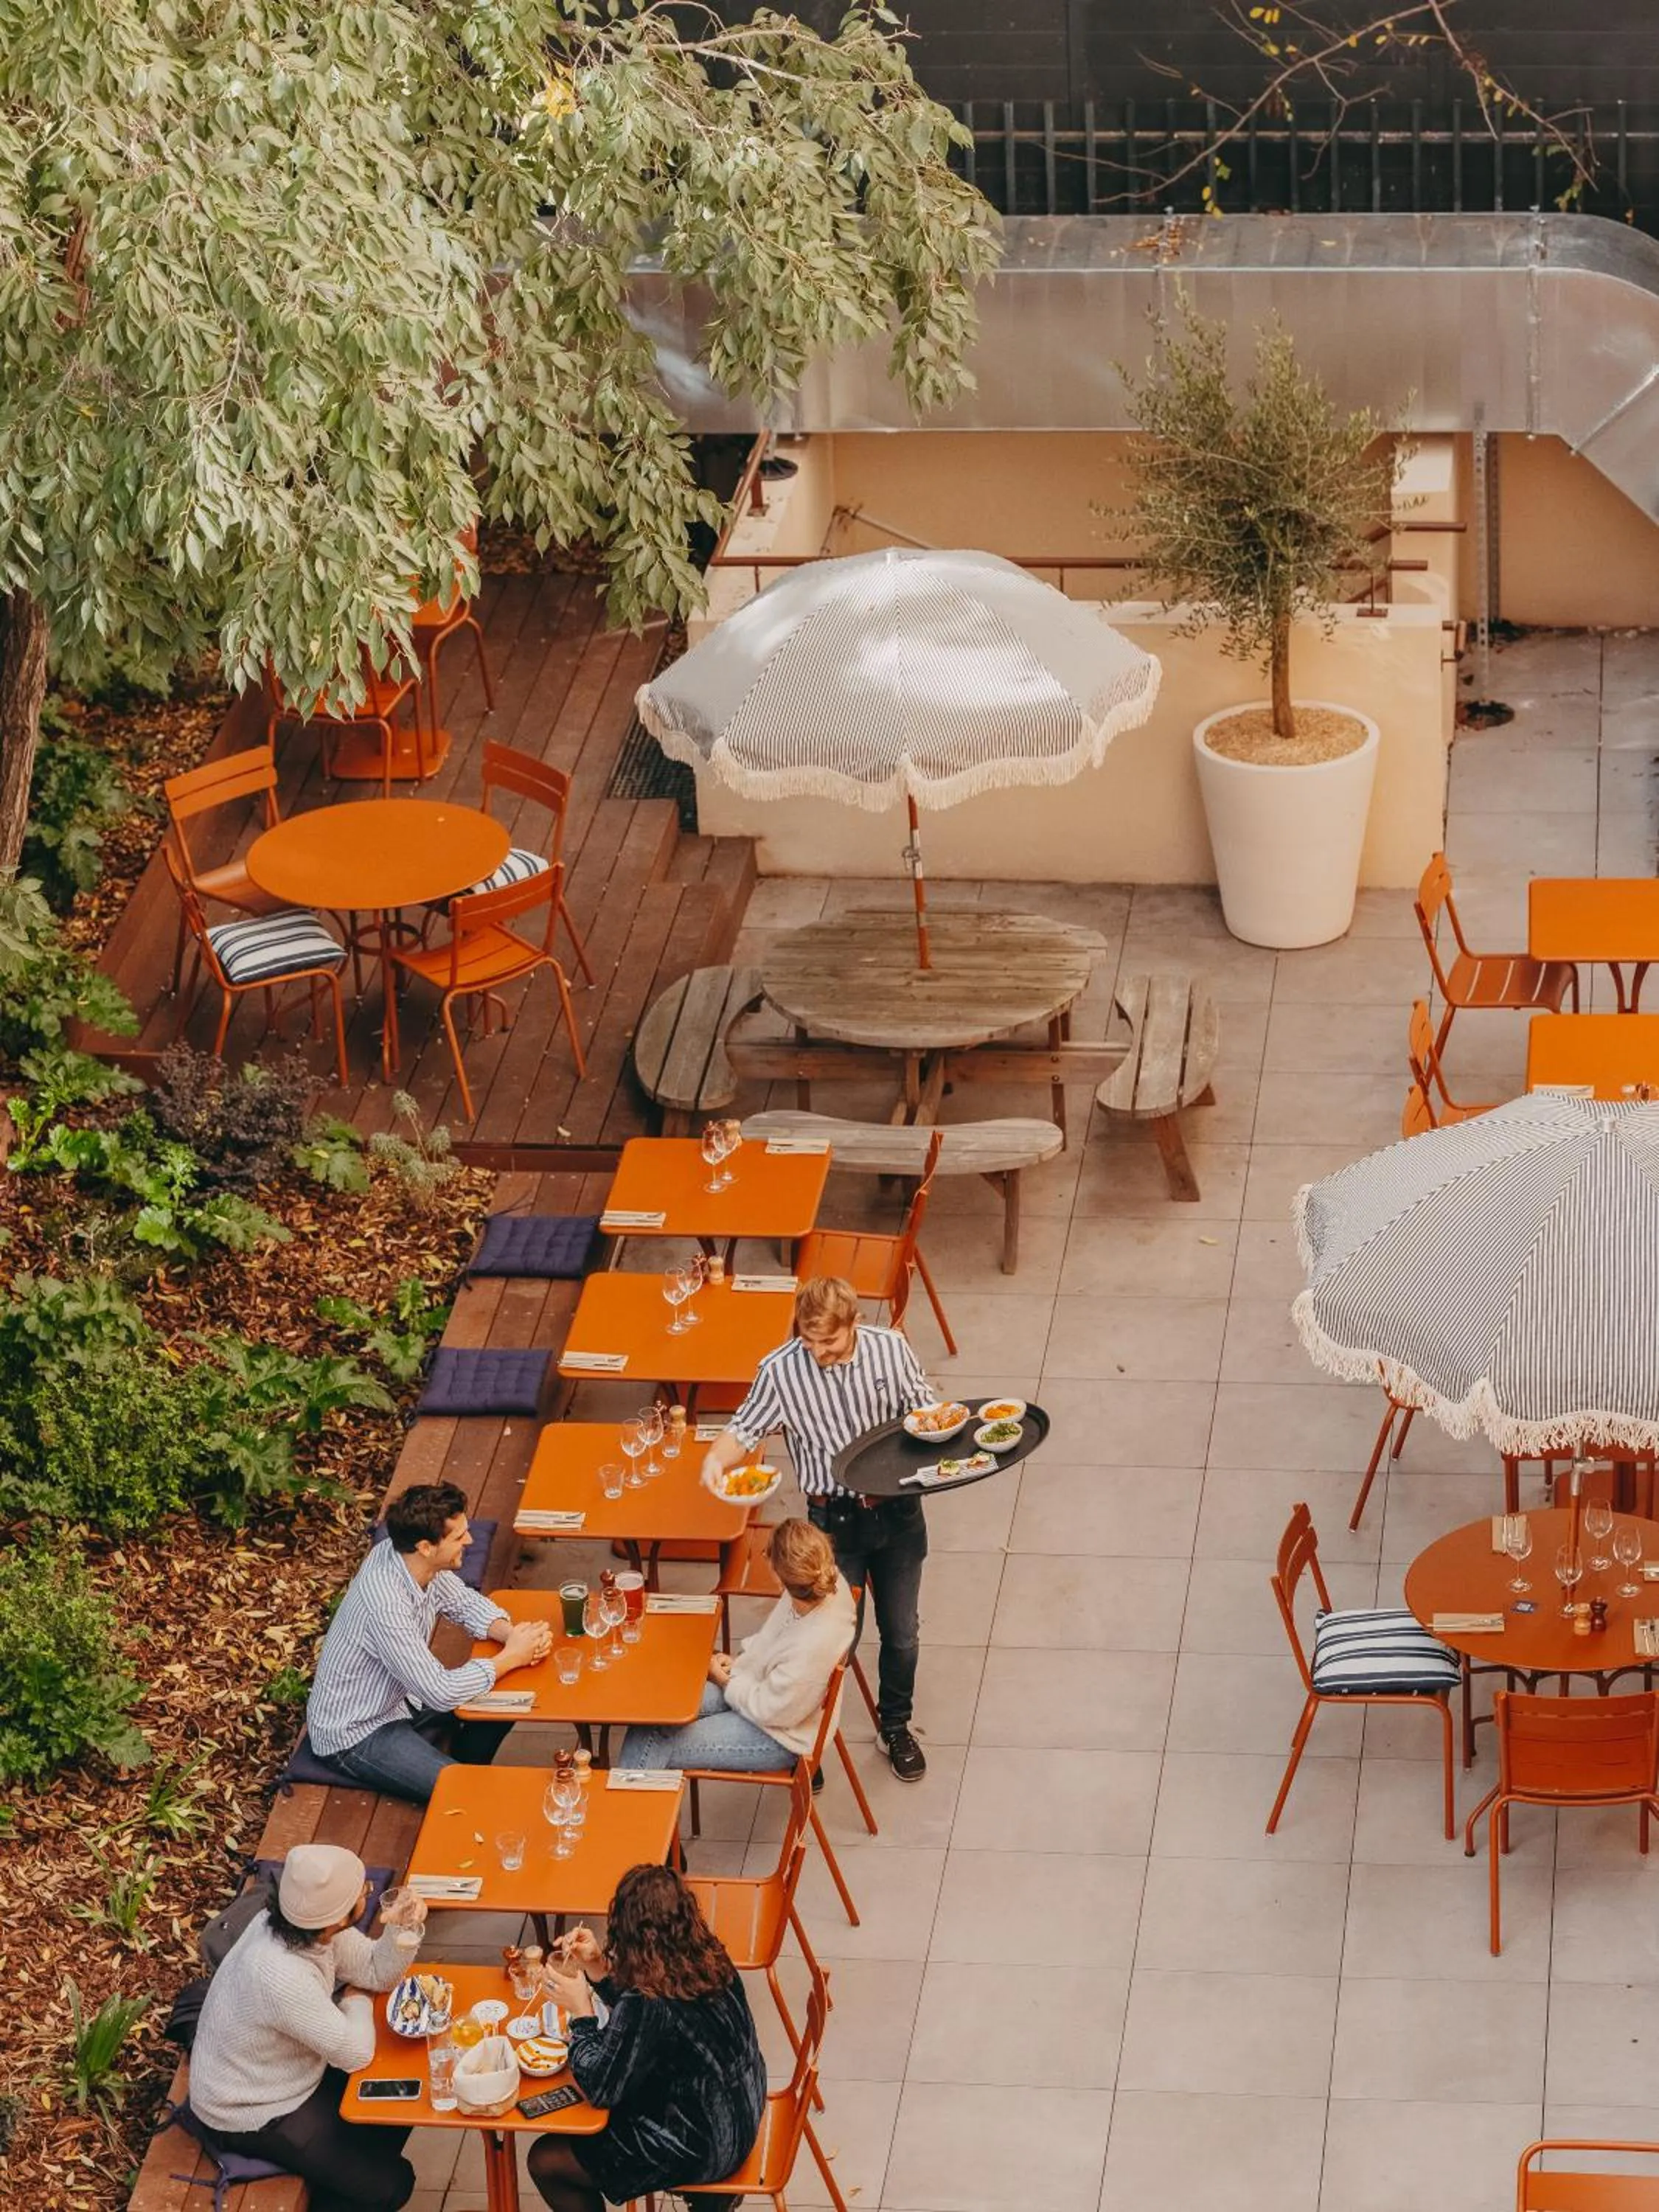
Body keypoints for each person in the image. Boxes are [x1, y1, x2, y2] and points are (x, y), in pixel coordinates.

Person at [701, 1275, 937, 1782]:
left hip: (895, 1511)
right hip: (834, 1524)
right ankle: (810, 1736)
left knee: (901, 1632)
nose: (818, 1352)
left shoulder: (890, 1351)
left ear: (853, 1322)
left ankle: (895, 1726)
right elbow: (743, 1428)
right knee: (829, 1643)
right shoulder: (781, 1369)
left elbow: (924, 1411)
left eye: (828, 1342)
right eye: (809, 1342)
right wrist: (715, 1462)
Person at [189, 1844, 425, 2212]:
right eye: (363, 1891)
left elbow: (376, 1972)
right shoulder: (280, 1975)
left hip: (292, 2071)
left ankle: (342, 2163)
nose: (367, 1893)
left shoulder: (311, 1927)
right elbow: (356, 2054)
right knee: (390, 2185)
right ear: (340, 1916)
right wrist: (355, 1998)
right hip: (254, 2109)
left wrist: (404, 1928)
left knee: (402, 2099)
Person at [527, 1864, 765, 2212]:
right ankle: (709, 2198)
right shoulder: (707, 1954)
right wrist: (597, 1968)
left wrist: (581, 2013)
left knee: (547, 2161)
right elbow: (646, 2025)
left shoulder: (648, 2000)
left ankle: (705, 2188)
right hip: (742, 2111)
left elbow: (603, 2088)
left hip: (702, 2142)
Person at [306, 1481, 551, 1801]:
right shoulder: (385, 1606)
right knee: (464, 1794)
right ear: (426, 1547)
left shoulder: (410, 1560)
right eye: (459, 1536)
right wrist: (510, 1657)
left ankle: (461, 1763)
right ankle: (457, 1781)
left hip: (403, 1699)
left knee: (512, 1698)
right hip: (358, 1731)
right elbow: (441, 1692)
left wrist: (512, 1636)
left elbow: (462, 1602)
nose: (470, 1540)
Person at [618, 1518, 855, 1773]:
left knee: (653, 1740)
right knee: (656, 1710)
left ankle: (625, 1810)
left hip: (781, 1737)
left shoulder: (810, 1647)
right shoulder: (823, 1581)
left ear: (780, 1577)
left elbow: (770, 1711)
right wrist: (741, 1664)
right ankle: (627, 1804)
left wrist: (725, 1681)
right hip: (767, 1692)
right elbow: (774, 1641)